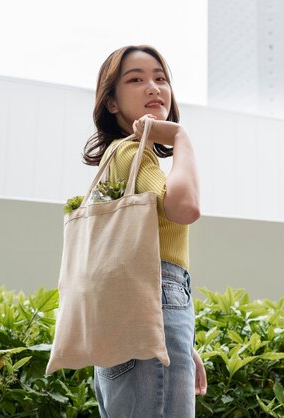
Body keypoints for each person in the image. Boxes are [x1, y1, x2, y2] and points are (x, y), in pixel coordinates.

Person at [82, 45, 207, 417]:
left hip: (132, 318)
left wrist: (181, 340)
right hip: (154, 305)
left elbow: (125, 259)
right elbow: (185, 207)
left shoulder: (120, 158)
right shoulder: (131, 153)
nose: (153, 87)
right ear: (112, 103)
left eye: (160, 78)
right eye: (135, 79)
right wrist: (181, 138)